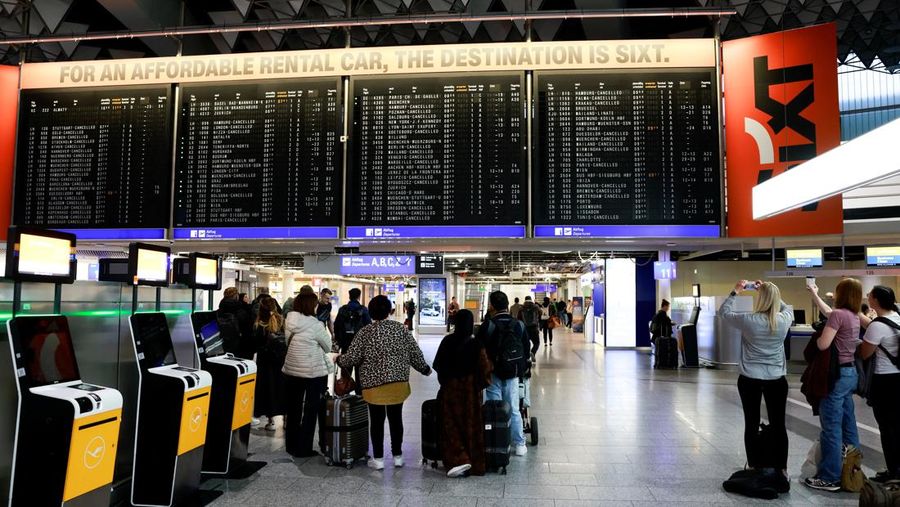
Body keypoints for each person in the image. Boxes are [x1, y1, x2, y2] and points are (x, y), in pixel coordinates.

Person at [336, 295, 431, 470]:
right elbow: (414, 352)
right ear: (389, 311)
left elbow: (353, 357)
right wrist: (424, 369)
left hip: (373, 385)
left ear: (370, 312)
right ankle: (398, 456)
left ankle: (378, 459)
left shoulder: (365, 332)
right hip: (398, 383)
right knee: (396, 419)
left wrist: (340, 360)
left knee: (377, 421)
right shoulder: (400, 330)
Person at [717, 280, 793, 488]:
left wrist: (736, 291)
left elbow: (723, 312)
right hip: (777, 378)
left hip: (750, 377)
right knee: (779, 425)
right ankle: (782, 469)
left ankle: (753, 465)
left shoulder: (749, 320)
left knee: (751, 423)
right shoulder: (784, 319)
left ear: (760, 299)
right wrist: (769, 292)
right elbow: (789, 309)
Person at [804, 278, 863, 492]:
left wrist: (822, 333)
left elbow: (823, 344)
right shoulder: (853, 316)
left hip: (835, 377)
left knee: (831, 428)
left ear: (841, 294)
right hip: (850, 374)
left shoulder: (839, 315)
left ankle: (830, 477)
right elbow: (830, 312)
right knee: (849, 425)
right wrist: (814, 294)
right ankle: (852, 472)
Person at [433, 310, 492, 478]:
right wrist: (477, 385)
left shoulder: (447, 341)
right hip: (471, 393)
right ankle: (473, 461)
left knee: (450, 424)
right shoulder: (477, 344)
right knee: (472, 425)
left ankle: (457, 459)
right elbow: (485, 372)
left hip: (450, 390)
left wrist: (446, 382)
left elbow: (438, 366)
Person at [282, 288, 334, 458]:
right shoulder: (316, 324)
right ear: (312, 305)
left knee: (293, 408)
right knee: (310, 410)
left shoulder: (289, 320)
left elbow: (287, 341)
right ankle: (304, 448)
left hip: (291, 370)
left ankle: (291, 445)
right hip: (313, 372)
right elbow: (327, 346)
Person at [476, 291, 528, 457]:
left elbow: (479, 350)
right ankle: (520, 444)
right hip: (512, 374)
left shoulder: (488, 325)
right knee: (513, 408)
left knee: (494, 408)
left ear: (491, 305)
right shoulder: (518, 324)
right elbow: (526, 349)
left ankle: (497, 441)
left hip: (493, 373)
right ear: (507, 304)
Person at [858, 286, 900, 482]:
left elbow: (865, 353)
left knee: (887, 428)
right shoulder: (897, 317)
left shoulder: (877, 326)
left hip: (883, 381)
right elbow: (876, 327)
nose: (868, 297)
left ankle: (894, 472)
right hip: (898, 378)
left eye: (870, 296)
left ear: (875, 301)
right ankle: (896, 469)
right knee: (897, 427)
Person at [252, 296, 286, 431]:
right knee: (282, 389)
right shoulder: (283, 321)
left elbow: (255, 345)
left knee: (268, 391)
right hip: (281, 361)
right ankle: (285, 419)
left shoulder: (258, 324)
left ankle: (271, 421)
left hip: (265, 363)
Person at [333, 288, 372, 392]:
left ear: (349, 296)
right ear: (359, 296)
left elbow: (336, 326)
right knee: (360, 373)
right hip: (360, 347)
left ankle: (345, 393)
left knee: (346, 371)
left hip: (346, 345)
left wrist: (338, 341)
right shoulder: (363, 310)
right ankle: (359, 395)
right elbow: (369, 327)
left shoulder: (342, 309)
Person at [218, 287, 254, 360]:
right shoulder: (240, 309)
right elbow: (247, 325)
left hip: (222, 341)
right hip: (239, 342)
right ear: (236, 296)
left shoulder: (220, 310)